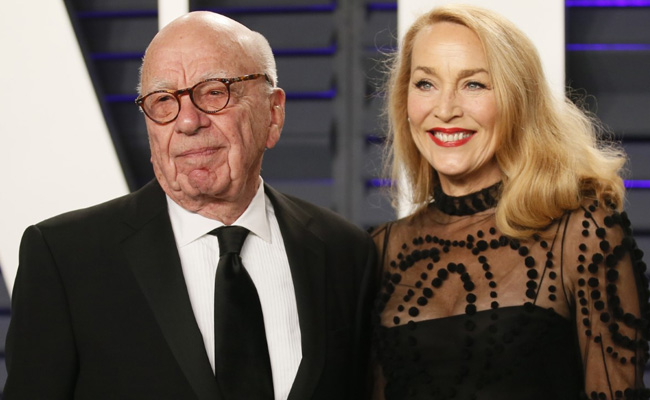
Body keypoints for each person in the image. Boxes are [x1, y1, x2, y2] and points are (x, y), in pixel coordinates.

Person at [4, 11, 376, 400]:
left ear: (273, 113)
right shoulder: (65, 258)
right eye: (164, 100)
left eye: (214, 92)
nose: (187, 121)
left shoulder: (345, 252)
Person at [370, 4, 650, 400]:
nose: (445, 109)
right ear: (405, 102)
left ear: (517, 99)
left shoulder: (582, 234)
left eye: (474, 85)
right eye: (426, 84)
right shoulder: (380, 250)